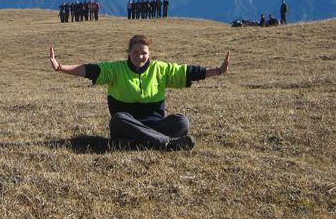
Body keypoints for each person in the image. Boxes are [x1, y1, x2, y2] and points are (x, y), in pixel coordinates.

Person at [49, 35, 230, 151]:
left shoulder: (161, 70)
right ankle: (165, 144)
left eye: (143, 53)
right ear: (129, 52)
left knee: (182, 122)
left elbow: (188, 72)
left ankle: (132, 145)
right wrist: (61, 67)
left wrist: (218, 71)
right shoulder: (115, 69)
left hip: (154, 126)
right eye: (135, 52)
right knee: (118, 119)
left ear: (150, 53)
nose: (139, 57)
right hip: (127, 126)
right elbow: (89, 70)